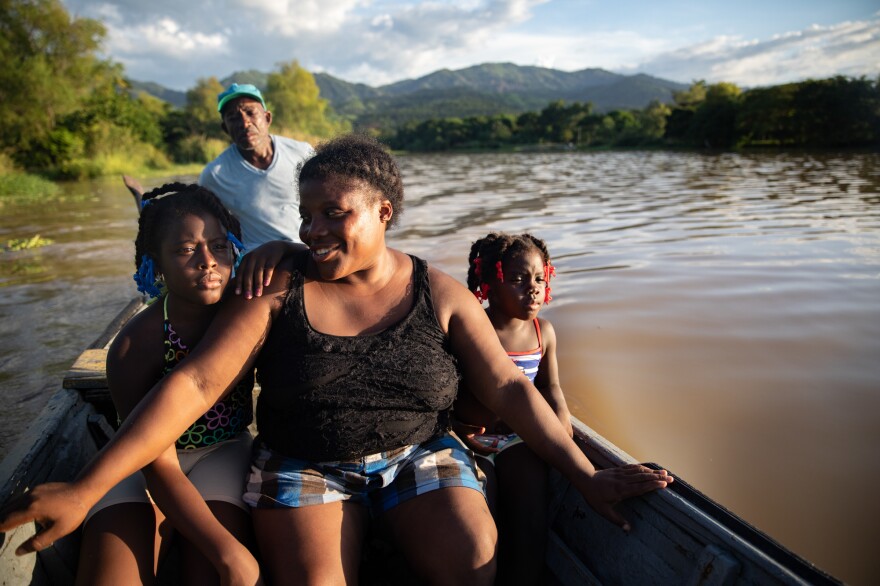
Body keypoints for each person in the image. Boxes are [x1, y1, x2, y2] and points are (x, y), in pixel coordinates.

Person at [0, 134, 673, 586]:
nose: (313, 230)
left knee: (473, 562)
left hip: (418, 455)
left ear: (384, 213)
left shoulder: (437, 291)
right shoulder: (275, 287)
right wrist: (88, 488)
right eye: (306, 215)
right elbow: (196, 383)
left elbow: (507, 386)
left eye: (333, 214)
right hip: (304, 460)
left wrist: (586, 474)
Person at [75, 183, 262, 586]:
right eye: (185, 250)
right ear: (155, 265)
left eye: (219, 246)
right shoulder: (133, 345)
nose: (208, 262)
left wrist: (287, 250)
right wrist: (228, 553)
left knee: (207, 572)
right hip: (138, 461)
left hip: (223, 449)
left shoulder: (246, 316)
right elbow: (155, 459)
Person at [453, 232, 571, 585]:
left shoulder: (543, 331)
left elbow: (550, 387)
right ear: (488, 282)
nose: (532, 288)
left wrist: (561, 423)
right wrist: (455, 428)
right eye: (518, 280)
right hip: (468, 440)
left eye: (538, 278)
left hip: (518, 439)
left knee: (531, 519)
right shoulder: (475, 326)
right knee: (480, 520)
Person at [125, 82, 313, 252]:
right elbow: (194, 221)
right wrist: (145, 206)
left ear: (267, 117)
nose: (244, 123)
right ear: (225, 129)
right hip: (258, 263)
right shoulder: (215, 174)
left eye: (250, 112)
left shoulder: (302, 152)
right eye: (233, 117)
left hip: (307, 248)